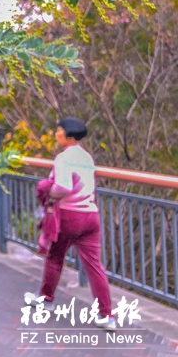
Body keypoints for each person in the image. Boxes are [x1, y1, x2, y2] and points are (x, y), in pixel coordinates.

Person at [26, 117, 117, 330]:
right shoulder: (87, 157)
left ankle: (46, 299)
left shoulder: (63, 158)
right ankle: (107, 315)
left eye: (58, 131)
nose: (56, 134)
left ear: (68, 136)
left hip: (69, 216)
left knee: (55, 258)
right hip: (90, 215)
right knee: (94, 265)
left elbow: (63, 186)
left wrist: (50, 193)